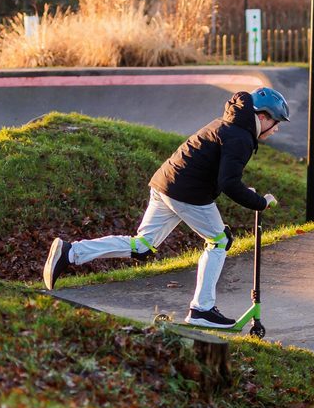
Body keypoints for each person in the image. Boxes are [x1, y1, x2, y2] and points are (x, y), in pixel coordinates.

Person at [42, 87, 290, 328]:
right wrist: (260, 202)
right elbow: (229, 183)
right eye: (276, 122)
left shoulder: (228, 125)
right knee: (219, 241)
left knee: (142, 246)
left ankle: (71, 252)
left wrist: (247, 192)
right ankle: (201, 310)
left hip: (165, 183)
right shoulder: (240, 137)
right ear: (262, 117)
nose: (276, 129)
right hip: (186, 192)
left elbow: (223, 172)